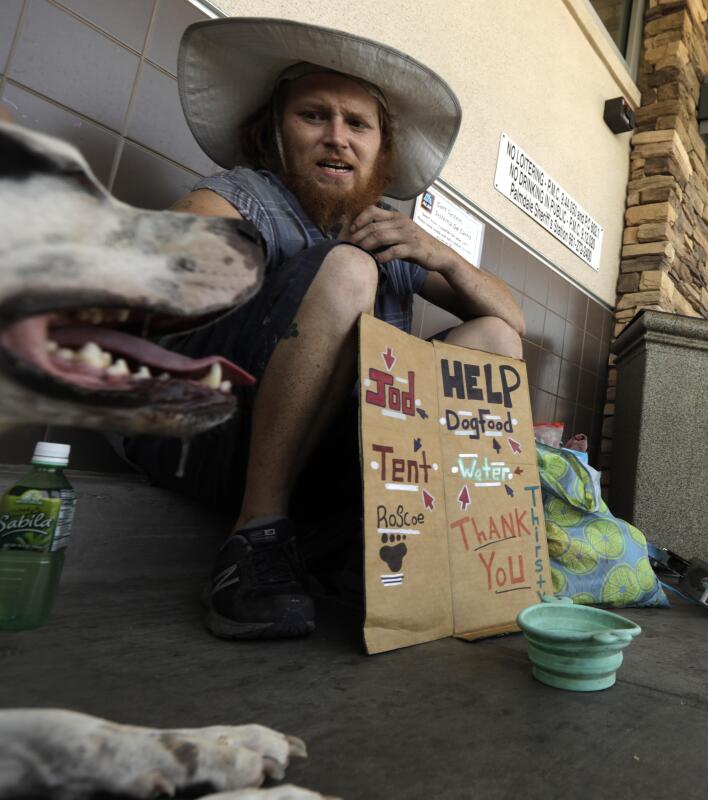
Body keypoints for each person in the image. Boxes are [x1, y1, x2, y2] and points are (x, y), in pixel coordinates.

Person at [122, 18, 525, 640]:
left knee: (492, 342)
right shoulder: (247, 193)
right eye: (315, 116)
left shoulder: (387, 230)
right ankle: (253, 541)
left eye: (357, 124)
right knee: (345, 271)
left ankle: (403, 549)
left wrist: (439, 254)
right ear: (277, 136)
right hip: (204, 437)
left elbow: (512, 324)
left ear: (378, 152)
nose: (337, 138)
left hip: (329, 468)